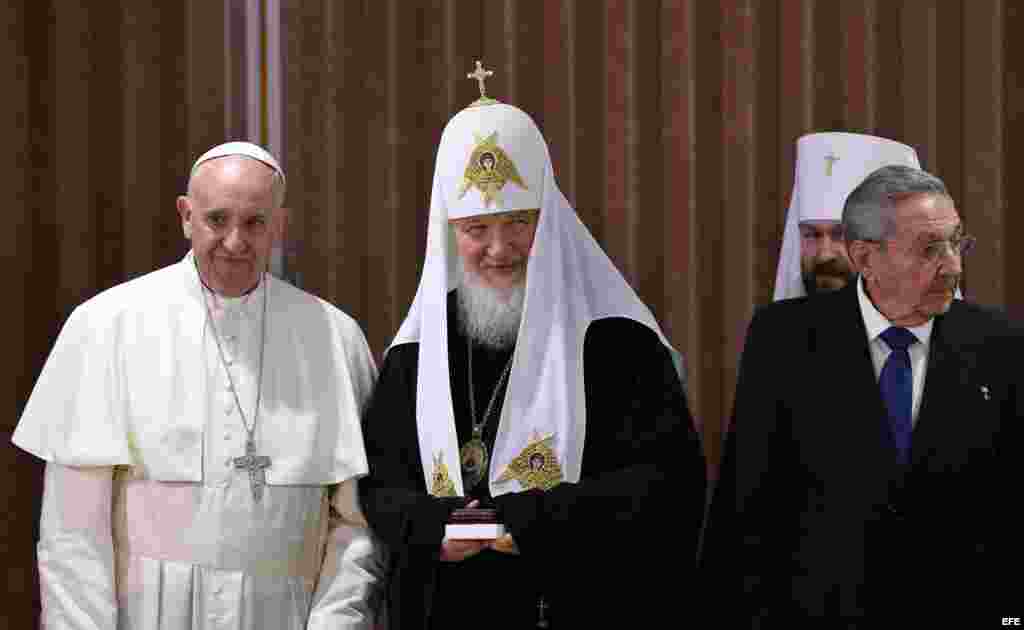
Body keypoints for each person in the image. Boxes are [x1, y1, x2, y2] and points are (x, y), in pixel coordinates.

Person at [359, 66, 705, 629]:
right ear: (449, 232)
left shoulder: (618, 341)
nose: (500, 249)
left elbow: (668, 487)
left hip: (574, 604)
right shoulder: (417, 354)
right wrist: (433, 527)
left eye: (519, 223)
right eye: (476, 230)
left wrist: (533, 522)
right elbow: (377, 483)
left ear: (549, 220)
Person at [13, 142, 385, 629]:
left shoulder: (334, 336)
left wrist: (335, 625)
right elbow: (72, 535)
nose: (235, 241)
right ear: (186, 216)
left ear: (280, 225)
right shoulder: (107, 326)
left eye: (255, 222)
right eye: (217, 219)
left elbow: (357, 526)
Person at [705, 164, 1022, 624]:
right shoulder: (786, 338)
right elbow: (749, 501)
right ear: (866, 258)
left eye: (957, 243)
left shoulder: (1000, 344)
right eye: (930, 249)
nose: (952, 265)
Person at [773, 132, 920, 300]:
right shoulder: (773, 325)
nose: (824, 255)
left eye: (841, 235)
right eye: (812, 235)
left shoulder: (942, 326)